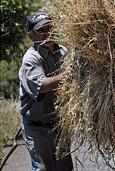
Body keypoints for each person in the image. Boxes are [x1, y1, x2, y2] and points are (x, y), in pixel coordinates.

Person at [19, 11, 73, 171]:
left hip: (59, 125)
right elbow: (42, 85)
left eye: (49, 28)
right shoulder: (31, 59)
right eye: (41, 30)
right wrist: (69, 74)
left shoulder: (63, 52)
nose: (47, 33)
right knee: (43, 169)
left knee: (64, 168)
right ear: (31, 35)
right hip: (36, 127)